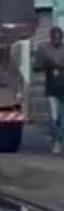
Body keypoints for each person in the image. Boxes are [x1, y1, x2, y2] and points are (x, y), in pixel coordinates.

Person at [34, 26, 64, 154]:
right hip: (52, 88)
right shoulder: (44, 49)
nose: (56, 39)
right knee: (54, 117)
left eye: (59, 37)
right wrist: (48, 64)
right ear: (51, 37)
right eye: (54, 37)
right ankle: (56, 141)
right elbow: (36, 66)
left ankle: (60, 141)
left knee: (62, 118)